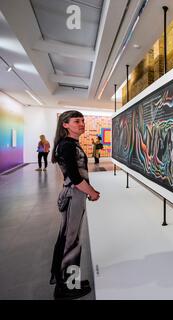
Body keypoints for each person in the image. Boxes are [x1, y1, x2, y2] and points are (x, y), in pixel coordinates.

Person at [50, 110, 100, 300]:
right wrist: (92, 193)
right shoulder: (67, 146)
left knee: (70, 240)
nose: (81, 124)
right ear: (65, 124)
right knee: (71, 243)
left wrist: (88, 189)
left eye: (83, 120)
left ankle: (70, 282)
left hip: (74, 195)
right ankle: (68, 287)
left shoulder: (69, 144)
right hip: (73, 196)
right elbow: (75, 177)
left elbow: (77, 173)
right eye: (76, 121)